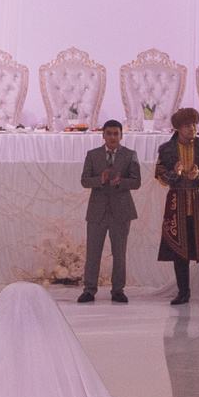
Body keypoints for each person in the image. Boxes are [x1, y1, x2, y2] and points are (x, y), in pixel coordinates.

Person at [157, 107, 199, 307]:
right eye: (187, 125)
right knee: (179, 249)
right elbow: (160, 176)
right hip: (177, 202)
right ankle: (183, 292)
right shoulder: (166, 149)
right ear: (177, 128)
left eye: (194, 124)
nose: (192, 128)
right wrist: (175, 174)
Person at [77, 119, 143, 304]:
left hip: (121, 210)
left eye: (116, 133)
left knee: (119, 253)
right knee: (93, 253)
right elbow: (84, 180)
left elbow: (137, 182)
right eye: (109, 133)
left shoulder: (129, 155)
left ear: (121, 135)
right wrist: (101, 179)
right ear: (103, 135)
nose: (112, 137)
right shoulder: (93, 155)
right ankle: (89, 290)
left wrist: (121, 182)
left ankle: (118, 290)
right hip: (97, 211)